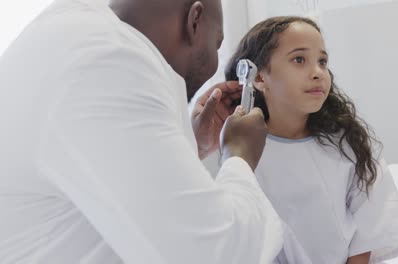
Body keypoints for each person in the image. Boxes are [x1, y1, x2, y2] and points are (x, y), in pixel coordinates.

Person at [0, 0, 284, 263]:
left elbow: (108, 186)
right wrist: (239, 156)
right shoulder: (109, 62)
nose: (213, 64)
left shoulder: (67, 37)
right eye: (217, 42)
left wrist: (190, 146)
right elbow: (212, 253)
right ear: (194, 20)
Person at [225, 16, 398, 264]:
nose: (318, 73)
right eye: (299, 59)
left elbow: (369, 225)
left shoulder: (347, 143)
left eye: (322, 61)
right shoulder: (243, 151)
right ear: (259, 78)